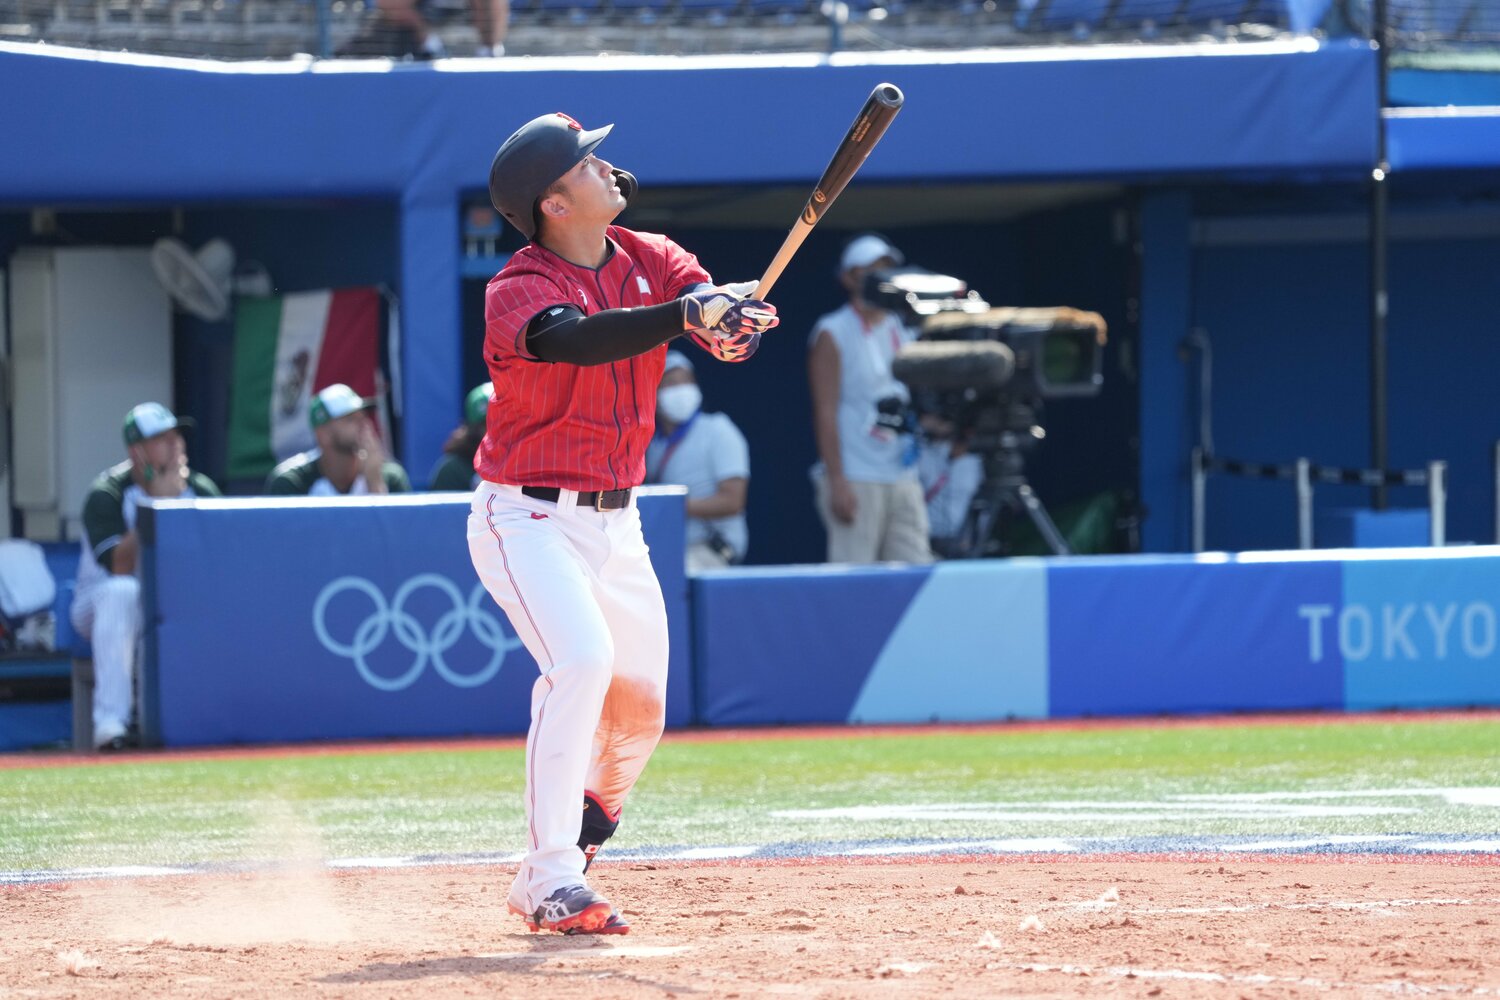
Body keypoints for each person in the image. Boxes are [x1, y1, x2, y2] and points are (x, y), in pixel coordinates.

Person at [468, 111, 777, 936]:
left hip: (618, 517)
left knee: (641, 707)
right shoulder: (519, 287)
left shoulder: (656, 258)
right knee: (583, 661)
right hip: (526, 514)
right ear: (553, 203)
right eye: (584, 161)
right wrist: (688, 316)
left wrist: (730, 323)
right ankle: (548, 878)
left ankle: (587, 824)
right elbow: (574, 341)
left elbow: (718, 338)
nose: (605, 166)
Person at [73, 403, 221, 751]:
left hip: (170, 600)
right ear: (136, 451)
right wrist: (156, 506)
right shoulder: (106, 493)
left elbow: (218, 565)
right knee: (123, 592)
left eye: (175, 436)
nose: (175, 445)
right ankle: (112, 727)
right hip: (97, 605)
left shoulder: (200, 489)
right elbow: (119, 566)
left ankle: (206, 725)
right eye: (161, 439)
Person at [807, 233, 934, 564]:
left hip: (904, 476)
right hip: (857, 477)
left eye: (887, 269)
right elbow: (825, 410)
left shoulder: (905, 325)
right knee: (854, 583)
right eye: (871, 270)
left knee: (915, 574)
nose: (882, 278)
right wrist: (837, 480)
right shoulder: (832, 331)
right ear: (849, 278)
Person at [645, 351, 751, 572]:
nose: (681, 389)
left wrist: (669, 507)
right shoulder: (651, 444)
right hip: (666, 547)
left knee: (670, 575)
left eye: (687, 381)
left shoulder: (719, 429)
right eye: (671, 383)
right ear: (653, 393)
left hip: (711, 549)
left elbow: (733, 501)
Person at [265, 384, 411, 496]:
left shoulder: (391, 477)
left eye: (363, 416)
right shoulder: (291, 483)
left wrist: (375, 483)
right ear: (323, 434)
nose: (364, 425)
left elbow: (399, 533)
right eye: (350, 419)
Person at [915, 412, 984, 558]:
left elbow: (980, 504)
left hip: (959, 540)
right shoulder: (924, 454)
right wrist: (922, 426)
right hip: (923, 538)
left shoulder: (974, 463)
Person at [356, 0, 508, 59]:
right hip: (402, 38)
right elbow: (388, 4)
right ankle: (431, 47)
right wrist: (429, 41)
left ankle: (488, 51)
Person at [429, 382, 494, 491]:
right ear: (474, 429)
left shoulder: (525, 463)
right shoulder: (453, 470)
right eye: (489, 424)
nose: (500, 431)